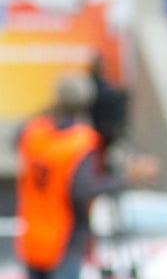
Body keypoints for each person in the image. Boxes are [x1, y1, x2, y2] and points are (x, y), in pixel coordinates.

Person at [15, 73, 159, 279]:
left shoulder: (35, 131)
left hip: (33, 239)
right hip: (63, 241)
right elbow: (82, 191)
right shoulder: (81, 142)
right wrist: (126, 177)